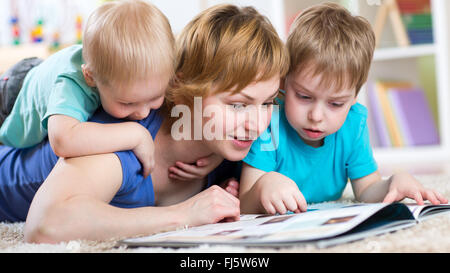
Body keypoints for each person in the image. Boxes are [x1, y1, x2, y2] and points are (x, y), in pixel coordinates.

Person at [0, 4, 289, 243]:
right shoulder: (123, 137)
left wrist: (266, 184)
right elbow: (45, 224)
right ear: (184, 84)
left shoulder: (228, 146)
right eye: (237, 104)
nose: (257, 125)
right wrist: (183, 215)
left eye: (267, 103)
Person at [239, 3, 448, 215]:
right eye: (304, 96)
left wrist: (393, 182)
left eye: (336, 104)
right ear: (283, 82)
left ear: (353, 98)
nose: (316, 116)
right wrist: (264, 186)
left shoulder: (354, 122)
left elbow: (366, 189)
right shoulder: (269, 121)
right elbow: (244, 203)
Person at [0, 0, 174, 178]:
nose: (143, 113)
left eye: (155, 98)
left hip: (42, 70)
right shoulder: (72, 85)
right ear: (90, 77)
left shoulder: (152, 71)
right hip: (11, 97)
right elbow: (62, 140)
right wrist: (137, 135)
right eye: (128, 103)